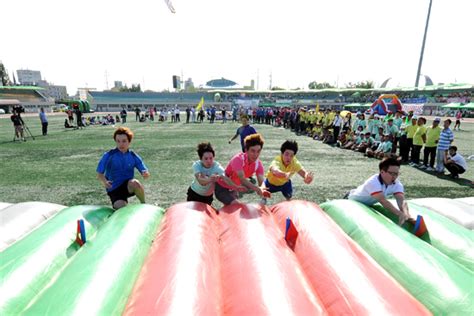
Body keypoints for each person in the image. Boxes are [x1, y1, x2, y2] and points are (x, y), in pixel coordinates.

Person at [347, 157, 412, 225]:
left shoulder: (397, 183)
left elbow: (401, 200)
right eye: (391, 173)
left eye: (396, 174)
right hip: (351, 201)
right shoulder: (373, 182)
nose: (394, 176)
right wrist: (399, 214)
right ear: (382, 172)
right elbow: (383, 201)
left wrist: (406, 213)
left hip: (367, 204)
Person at [96, 127, 150, 209]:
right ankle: (121, 203)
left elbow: (144, 170)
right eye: (118, 141)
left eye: (124, 141)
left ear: (129, 141)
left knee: (135, 183)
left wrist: (145, 173)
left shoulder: (133, 155)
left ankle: (144, 205)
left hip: (128, 186)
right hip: (114, 189)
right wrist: (105, 182)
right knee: (122, 208)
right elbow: (99, 174)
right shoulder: (109, 155)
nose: (121, 144)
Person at [215, 134, 271, 205]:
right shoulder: (238, 159)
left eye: (258, 151)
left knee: (233, 209)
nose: (256, 154)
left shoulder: (258, 164)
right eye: (253, 151)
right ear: (246, 150)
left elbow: (261, 181)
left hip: (234, 188)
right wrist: (257, 189)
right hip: (222, 187)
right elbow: (242, 179)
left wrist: (262, 189)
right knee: (236, 205)